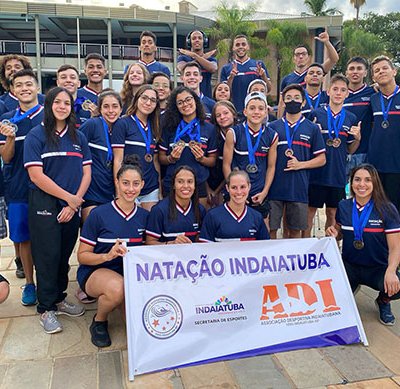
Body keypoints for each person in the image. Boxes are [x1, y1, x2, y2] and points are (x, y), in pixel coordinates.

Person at [24, 87, 91, 334]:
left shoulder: (78, 136)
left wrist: (75, 202)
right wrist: (69, 200)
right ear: (49, 104)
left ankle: (59, 298)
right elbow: (36, 175)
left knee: (63, 254)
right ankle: (46, 308)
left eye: (67, 102)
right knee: (47, 256)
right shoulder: (36, 135)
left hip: (71, 203)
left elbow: (86, 172)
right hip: (45, 203)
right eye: (58, 102)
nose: (62, 106)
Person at [77, 154, 148, 347]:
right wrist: (107, 255)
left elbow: (151, 250)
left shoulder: (145, 216)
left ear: (142, 185)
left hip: (129, 273)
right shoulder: (98, 214)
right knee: (119, 288)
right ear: (116, 182)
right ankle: (99, 321)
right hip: (95, 271)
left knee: (138, 330)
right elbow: (82, 256)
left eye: (135, 184)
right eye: (125, 183)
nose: (130, 189)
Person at [326, 164, 400, 325]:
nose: (362, 185)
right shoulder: (344, 206)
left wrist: (391, 271)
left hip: (377, 268)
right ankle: (351, 287)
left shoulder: (388, 209)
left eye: (368, 180)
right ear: (351, 183)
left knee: (397, 284)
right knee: (332, 302)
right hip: (350, 266)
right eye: (357, 179)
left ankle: (383, 301)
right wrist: (333, 233)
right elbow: (339, 232)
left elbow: (395, 247)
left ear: (375, 184)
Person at [0, 69, 44, 306]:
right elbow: (6, 158)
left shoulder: (49, 115)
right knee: (24, 239)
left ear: (37, 88)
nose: (25, 88)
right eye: (19, 85)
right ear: (13, 91)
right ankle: (29, 282)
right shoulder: (7, 119)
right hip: (17, 187)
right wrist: (8, 137)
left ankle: (50, 282)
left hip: (46, 188)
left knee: (47, 237)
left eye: (29, 84)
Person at [304, 74, 361, 238]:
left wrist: (358, 138)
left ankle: (331, 252)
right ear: (327, 91)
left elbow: (350, 149)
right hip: (316, 174)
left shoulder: (350, 118)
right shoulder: (315, 114)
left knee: (333, 215)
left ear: (347, 94)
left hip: (337, 174)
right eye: (335, 89)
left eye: (342, 90)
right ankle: (306, 251)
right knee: (310, 213)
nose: (338, 93)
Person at [268, 84, 326, 239]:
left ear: (303, 102)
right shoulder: (272, 127)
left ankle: (291, 263)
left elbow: (322, 159)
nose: (292, 101)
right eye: (288, 98)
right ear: (283, 102)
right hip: (274, 187)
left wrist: (301, 165)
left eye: (296, 98)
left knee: (294, 231)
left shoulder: (312, 128)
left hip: (298, 188)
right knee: (271, 229)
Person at [223, 92, 277, 224]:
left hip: (258, 194)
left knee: (262, 233)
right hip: (237, 194)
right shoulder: (234, 133)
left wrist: (264, 192)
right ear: (245, 111)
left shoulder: (272, 135)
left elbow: (271, 167)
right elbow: (226, 164)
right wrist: (234, 191)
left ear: (266, 112)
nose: (256, 112)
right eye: (252, 108)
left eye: (260, 108)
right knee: (234, 231)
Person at [158, 86, 217, 208]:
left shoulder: (209, 128)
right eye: (180, 102)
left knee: (199, 220)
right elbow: (161, 158)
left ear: (195, 100)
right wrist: (171, 158)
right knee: (172, 220)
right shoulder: (169, 127)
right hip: (173, 183)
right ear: (176, 107)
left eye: (188, 99)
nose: (185, 104)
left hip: (198, 183)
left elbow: (213, 161)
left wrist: (202, 159)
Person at [112, 85, 161, 211]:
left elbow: (155, 161)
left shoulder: (155, 126)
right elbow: (118, 160)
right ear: (136, 99)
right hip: (129, 187)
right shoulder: (123, 123)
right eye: (144, 98)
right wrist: (118, 191)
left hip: (150, 187)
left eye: (152, 100)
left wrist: (159, 187)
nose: (148, 103)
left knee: (149, 227)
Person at [80, 90, 123, 221]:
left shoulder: (120, 128)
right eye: (106, 106)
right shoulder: (92, 124)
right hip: (91, 191)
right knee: (92, 233)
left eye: (115, 106)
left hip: (109, 190)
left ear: (121, 109)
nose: (111, 111)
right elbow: (76, 149)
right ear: (99, 109)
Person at [367, 55, 400, 212]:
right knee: (378, 211)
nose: (381, 72)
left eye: (385, 68)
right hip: (376, 165)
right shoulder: (373, 99)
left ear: (394, 71)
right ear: (373, 77)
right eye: (377, 70)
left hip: (397, 165)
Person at [200, 169, 269, 242]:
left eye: (242, 187)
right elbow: (205, 247)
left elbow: (264, 248)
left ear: (249, 187)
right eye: (234, 187)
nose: (239, 192)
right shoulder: (212, 216)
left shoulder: (257, 217)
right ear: (227, 188)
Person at [146, 165, 205, 244]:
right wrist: (171, 244)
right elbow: (150, 242)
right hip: (166, 256)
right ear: (173, 185)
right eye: (180, 181)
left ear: (195, 186)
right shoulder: (159, 210)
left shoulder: (200, 210)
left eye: (190, 181)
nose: (186, 186)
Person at [220, 35, 271, 113]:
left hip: (254, 111)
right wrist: (231, 78)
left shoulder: (258, 65)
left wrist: (263, 76)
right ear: (233, 48)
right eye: (237, 45)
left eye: (243, 44)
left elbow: (269, 89)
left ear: (248, 47)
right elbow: (224, 94)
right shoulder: (226, 68)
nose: (240, 47)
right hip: (234, 111)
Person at [344, 57, 374, 175]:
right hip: (342, 152)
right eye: (351, 69)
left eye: (359, 68)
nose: (355, 72)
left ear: (365, 72)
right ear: (346, 73)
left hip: (364, 153)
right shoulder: (340, 94)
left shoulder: (373, 93)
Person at [208, 101, 237, 207]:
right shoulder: (212, 134)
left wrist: (219, 190)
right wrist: (211, 190)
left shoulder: (240, 133)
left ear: (233, 114)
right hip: (212, 182)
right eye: (218, 115)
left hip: (232, 182)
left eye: (226, 113)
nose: (222, 117)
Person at [177, 30, 217, 98]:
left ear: (204, 41)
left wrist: (195, 56)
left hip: (206, 99)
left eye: (199, 38)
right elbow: (182, 69)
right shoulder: (182, 58)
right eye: (194, 38)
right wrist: (202, 58)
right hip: (188, 98)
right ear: (189, 42)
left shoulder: (211, 59)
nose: (197, 40)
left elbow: (213, 68)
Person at [77, 53, 107, 124]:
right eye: (91, 67)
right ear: (85, 71)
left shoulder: (111, 97)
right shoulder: (76, 96)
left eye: (99, 67)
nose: (95, 70)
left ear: (105, 71)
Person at [56, 64, 86, 128]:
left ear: (78, 83)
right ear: (58, 83)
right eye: (63, 77)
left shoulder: (88, 108)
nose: (68, 80)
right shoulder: (51, 107)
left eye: (72, 77)